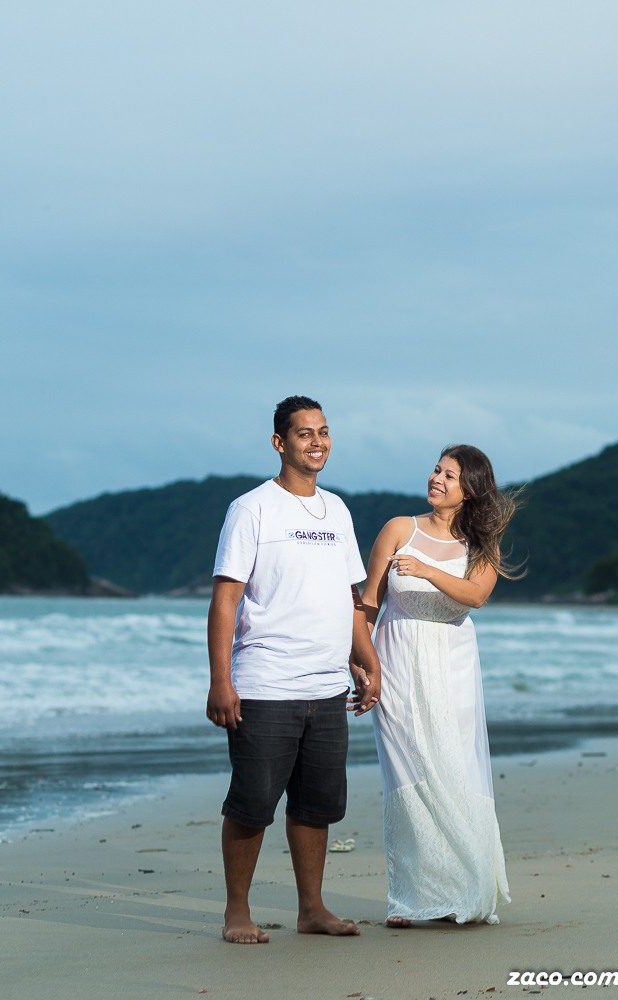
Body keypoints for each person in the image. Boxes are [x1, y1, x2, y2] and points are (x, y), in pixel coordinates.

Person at [206, 394, 381, 944]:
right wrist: (221, 681)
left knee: (315, 805)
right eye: (305, 433)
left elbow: (349, 597)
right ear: (280, 443)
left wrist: (365, 659)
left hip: (327, 686)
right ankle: (237, 912)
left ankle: (312, 909)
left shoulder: (338, 510)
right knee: (252, 803)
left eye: (323, 432)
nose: (317, 442)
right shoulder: (252, 508)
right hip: (266, 683)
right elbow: (226, 600)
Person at [358, 444, 521, 927]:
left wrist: (426, 569)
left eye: (450, 475)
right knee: (407, 774)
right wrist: (361, 662)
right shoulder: (398, 529)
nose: (437, 479)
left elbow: (476, 595)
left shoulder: (482, 545)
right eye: (436, 470)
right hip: (396, 662)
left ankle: (465, 887)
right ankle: (411, 898)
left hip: (453, 666)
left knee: (454, 770)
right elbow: (369, 604)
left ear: (470, 489)